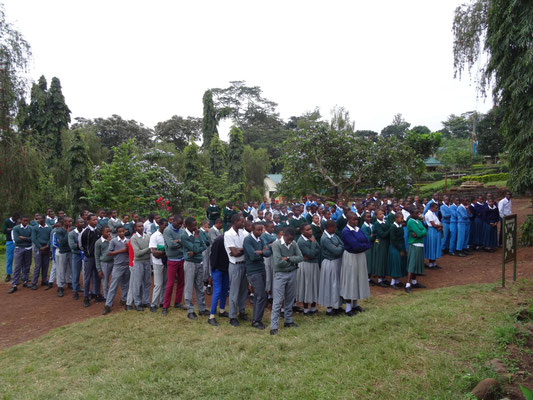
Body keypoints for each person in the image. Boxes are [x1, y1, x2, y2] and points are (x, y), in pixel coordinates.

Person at [270, 227, 303, 335]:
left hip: (292, 273)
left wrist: (288, 258)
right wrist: (293, 260)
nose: (290, 241)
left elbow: (300, 257)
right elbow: (278, 262)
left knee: (290, 298)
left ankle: (288, 320)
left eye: (291, 239)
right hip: (280, 275)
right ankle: (273, 326)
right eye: (288, 239)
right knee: (278, 300)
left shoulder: (294, 243)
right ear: (284, 235)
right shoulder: (276, 244)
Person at [340, 212, 371, 315]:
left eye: (357, 219)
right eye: (353, 219)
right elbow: (355, 246)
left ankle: (355, 304)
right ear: (348, 220)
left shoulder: (358, 229)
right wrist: (363, 245)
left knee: (358, 279)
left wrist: (362, 245)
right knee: (351, 280)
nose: (356, 221)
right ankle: (348, 308)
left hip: (360, 257)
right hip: (351, 257)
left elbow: (368, 242)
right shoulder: (346, 231)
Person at [243, 222, 272, 329]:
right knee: (261, 295)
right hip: (253, 271)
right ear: (253, 230)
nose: (260, 232)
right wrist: (262, 252)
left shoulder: (261, 239)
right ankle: (256, 321)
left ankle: (257, 317)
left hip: (261, 269)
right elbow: (252, 256)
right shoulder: (248, 240)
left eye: (261, 230)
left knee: (260, 295)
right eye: (258, 230)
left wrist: (259, 252)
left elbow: (269, 252)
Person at [224, 214, 250, 327]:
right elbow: (234, 254)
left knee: (244, 290)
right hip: (235, 265)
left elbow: (248, 248)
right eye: (241, 222)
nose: (243, 223)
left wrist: (239, 250)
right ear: (235, 222)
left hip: (245, 264)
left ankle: (242, 312)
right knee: (234, 292)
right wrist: (239, 250)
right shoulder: (228, 234)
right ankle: (232, 316)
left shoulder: (244, 233)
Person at [181, 217, 208, 319]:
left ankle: (202, 308)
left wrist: (195, 251)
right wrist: (196, 239)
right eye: (193, 225)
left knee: (200, 286)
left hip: (198, 262)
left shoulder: (197, 232)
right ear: (187, 226)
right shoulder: (184, 236)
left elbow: (204, 245)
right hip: (190, 263)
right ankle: (190, 310)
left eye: (196, 225)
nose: (196, 227)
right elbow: (196, 247)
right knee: (189, 287)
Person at [318, 220, 345, 316]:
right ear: (328, 228)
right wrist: (338, 247)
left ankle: (337, 305)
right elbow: (336, 251)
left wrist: (338, 247)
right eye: (333, 227)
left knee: (337, 284)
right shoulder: (324, 238)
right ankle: (329, 309)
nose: (335, 229)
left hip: (337, 262)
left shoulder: (334, 235)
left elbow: (342, 244)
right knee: (330, 285)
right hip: (330, 263)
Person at [103, 226, 131, 315]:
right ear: (117, 232)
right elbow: (109, 253)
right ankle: (108, 305)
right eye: (120, 232)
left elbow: (131, 252)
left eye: (123, 231)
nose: (122, 233)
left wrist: (127, 250)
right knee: (113, 285)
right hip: (118, 265)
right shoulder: (113, 241)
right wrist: (122, 250)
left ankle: (124, 299)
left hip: (127, 265)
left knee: (126, 284)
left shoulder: (128, 240)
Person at [162, 215, 186, 316]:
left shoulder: (181, 229)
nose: (180, 226)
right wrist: (180, 242)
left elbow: (185, 241)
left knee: (181, 282)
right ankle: (165, 306)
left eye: (181, 224)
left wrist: (179, 241)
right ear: (173, 221)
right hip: (172, 260)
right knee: (170, 284)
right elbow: (170, 245)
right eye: (178, 223)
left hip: (182, 259)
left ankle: (177, 302)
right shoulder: (167, 230)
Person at [79, 214, 103, 307]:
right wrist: (87, 253)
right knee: (87, 277)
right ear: (88, 221)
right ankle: (86, 296)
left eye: (96, 220)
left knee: (97, 276)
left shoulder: (98, 231)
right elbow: (81, 245)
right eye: (93, 220)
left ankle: (96, 293)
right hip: (89, 258)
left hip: (97, 258)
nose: (95, 221)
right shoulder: (85, 232)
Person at [297, 224, 320, 316]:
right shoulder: (301, 241)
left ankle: (313, 307)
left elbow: (319, 250)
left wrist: (313, 250)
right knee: (306, 286)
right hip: (306, 266)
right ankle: (306, 309)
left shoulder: (312, 237)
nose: (310, 231)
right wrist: (313, 243)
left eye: (310, 229)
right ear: (302, 231)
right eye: (307, 230)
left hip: (314, 264)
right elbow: (310, 254)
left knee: (314, 285)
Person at [8, 216, 33, 294]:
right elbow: (17, 240)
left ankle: (25, 281)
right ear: (21, 221)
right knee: (17, 266)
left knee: (27, 266)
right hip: (19, 249)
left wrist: (23, 238)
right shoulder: (16, 228)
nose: (26, 222)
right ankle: (14, 284)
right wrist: (27, 239)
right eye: (24, 220)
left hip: (28, 249)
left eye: (27, 220)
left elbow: (32, 239)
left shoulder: (30, 228)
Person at [405, 207, 427, 293]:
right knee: (412, 264)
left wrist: (421, 232)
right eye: (415, 213)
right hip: (414, 245)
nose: (418, 214)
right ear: (411, 213)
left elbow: (425, 231)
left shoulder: (418, 221)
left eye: (418, 213)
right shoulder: (410, 221)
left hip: (420, 245)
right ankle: (407, 285)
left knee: (416, 264)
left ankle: (414, 282)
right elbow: (419, 232)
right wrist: (421, 232)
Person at [130, 221, 152, 311]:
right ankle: (137, 303)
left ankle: (146, 301)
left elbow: (150, 249)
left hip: (147, 261)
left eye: (142, 226)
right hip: (138, 262)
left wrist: (148, 249)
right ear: (135, 228)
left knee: (147, 282)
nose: (141, 228)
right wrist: (149, 248)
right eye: (138, 226)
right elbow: (137, 253)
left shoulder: (148, 236)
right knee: (137, 283)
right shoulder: (134, 238)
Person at [149, 218, 168, 312]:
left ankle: (162, 302)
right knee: (158, 284)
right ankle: (153, 304)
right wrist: (165, 252)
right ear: (159, 225)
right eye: (164, 225)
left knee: (165, 283)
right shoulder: (154, 236)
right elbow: (154, 252)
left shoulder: (167, 235)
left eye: (167, 225)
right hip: (157, 263)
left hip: (166, 262)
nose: (166, 227)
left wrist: (163, 252)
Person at [30, 214, 52, 290]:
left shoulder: (49, 227)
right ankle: (34, 283)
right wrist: (40, 247)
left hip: (46, 248)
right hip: (38, 248)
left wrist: (47, 246)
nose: (38, 220)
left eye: (40, 219)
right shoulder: (35, 228)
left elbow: (50, 238)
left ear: (44, 219)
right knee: (38, 265)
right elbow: (33, 238)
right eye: (37, 219)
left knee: (45, 265)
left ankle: (44, 280)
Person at [387, 212, 407, 288]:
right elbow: (393, 240)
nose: (402, 220)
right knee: (396, 264)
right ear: (396, 218)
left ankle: (397, 281)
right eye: (400, 218)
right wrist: (400, 250)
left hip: (401, 246)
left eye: (402, 218)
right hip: (395, 247)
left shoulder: (400, 225)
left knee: (401, 263)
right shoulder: (393, 227)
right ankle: (392, 282)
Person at [371, 209, 390, 287]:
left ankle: (384, 278)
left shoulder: (386, 222)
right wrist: (390, 229)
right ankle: (379, 279)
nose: (382, 215)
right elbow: (382, 234)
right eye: (380, 214)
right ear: (376, 216)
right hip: (380, 243)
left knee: (385, 260)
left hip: (386, 243)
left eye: (383, 213)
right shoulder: (376, 224)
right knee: (380, 260)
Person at [54, 217, 72, 297]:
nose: (70, 223)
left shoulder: (72, 229)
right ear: (64, 222)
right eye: (69, 221)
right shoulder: (59, 231)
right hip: (63, 252)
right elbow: (62, 242)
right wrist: (68, 233)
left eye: (71, 221)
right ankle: (60, 287)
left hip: (70, 251)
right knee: (61, 270)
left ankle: (70, 282)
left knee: (70, 269)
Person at [95, 226, 113, 300]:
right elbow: (97, 256)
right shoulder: (98, 242)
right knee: (105, 281)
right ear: (102, 233)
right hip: (104, 263)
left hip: (114, 262)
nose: (109, 233)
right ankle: (106, 297)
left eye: (109, 232)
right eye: (107, 232)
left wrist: (110, 242)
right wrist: (99, 269)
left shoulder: (112, 240)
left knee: (115, 280)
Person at [261, 221, 277, 303]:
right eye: (271, 227)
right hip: (267, 258)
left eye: (273, 227)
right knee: (268, 276)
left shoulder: (274, 235)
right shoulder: (263, 235)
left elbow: (276, 244)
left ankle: (271, 295)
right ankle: (266, 294)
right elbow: (265, 246)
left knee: (273, 275)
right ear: (266, 227)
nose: (272, 228)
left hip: (273, 257)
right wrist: (271, 245)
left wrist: (271, 245)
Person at [68, 218, 85, 299]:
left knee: (86, 273)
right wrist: (82, 245)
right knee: (76, 273)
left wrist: (78, 244)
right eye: (80, 222)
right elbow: (72, 246)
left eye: (83, 222)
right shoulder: (72, 234)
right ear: (76, 224)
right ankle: (75, 291)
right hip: (76, 255)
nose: (82, 223)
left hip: (85, 255)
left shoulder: (85, 231)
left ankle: (85, 290)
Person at [424, 202, 442, 269]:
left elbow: (438, 222)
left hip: (436, 231)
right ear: (431, 208)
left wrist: (440, 226)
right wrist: (440, 226)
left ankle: (434, 263)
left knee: (435, 246)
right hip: (432, 231)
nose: (437, 209)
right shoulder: (428, 214)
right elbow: (433, 224)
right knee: (432, 246)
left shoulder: (433, 213)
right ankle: (431, 263)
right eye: (435, 208)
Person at [3, 212, 19, 283]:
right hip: (9, 242)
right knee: (9, 258)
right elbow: (4, 230)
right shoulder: (7, 221)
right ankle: (8, 274)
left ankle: (18, 274)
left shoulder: (17, 222)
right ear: (13, 217)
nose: (17, 220)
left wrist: (10, 229)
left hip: (18, 242)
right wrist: (12, 229)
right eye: (16, 219)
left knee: (18, 259)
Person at [360, 212, 375, 286]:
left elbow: (374, 234)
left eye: (370, 217)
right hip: (367, 247)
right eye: (367, 217)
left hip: (371, 246)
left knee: (371, 262)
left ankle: (369, 278)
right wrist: (371, 236)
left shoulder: (371, 225)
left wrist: (372, 236)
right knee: (367, 262)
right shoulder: (363, 227)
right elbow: (367, 238)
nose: (369, 218)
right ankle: (366, 279)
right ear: (364, 218)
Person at [199, 219, 212, 295]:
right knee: (204, 265)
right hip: (203, 250)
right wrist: (208, 232)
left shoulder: (206, 231)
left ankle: (206, 281)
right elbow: (206, 241)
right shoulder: (201, 232)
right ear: (204, 224)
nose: (208, 225)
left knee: (207, 265)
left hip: (208, 250)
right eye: (208, 224)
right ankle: (204, 282)